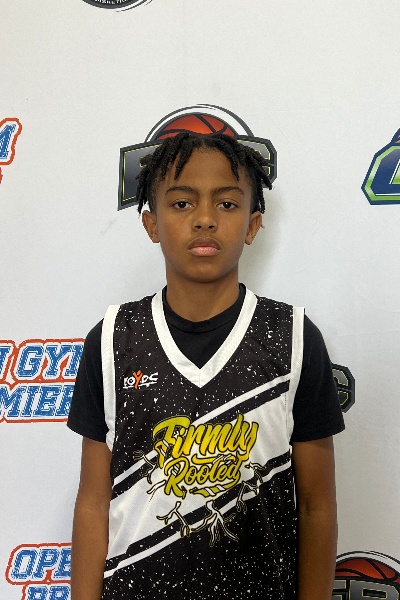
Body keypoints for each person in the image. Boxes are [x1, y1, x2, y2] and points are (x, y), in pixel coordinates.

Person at [68, 132, 345, 600]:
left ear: (253, 225)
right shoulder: (113, 338)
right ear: (151, 223)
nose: (204, 219)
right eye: (181, 203)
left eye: (227, 204)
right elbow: (93, 504)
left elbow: (317, 508)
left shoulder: (294, 338)